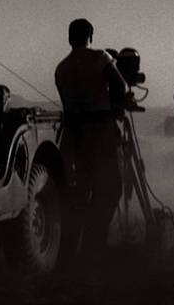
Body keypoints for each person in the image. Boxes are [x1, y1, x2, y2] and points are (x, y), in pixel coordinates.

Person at [55, 18, 128, 258]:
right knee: (110, 189)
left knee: (80, 191)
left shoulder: (61, 68)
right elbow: (121, 87)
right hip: (101, 132)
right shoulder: (101, 57)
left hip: (75, 136)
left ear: (69, 38)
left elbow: (67, 104)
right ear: (91, 35)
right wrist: (116, 109)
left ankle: (68, 252)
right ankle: (92, 247)